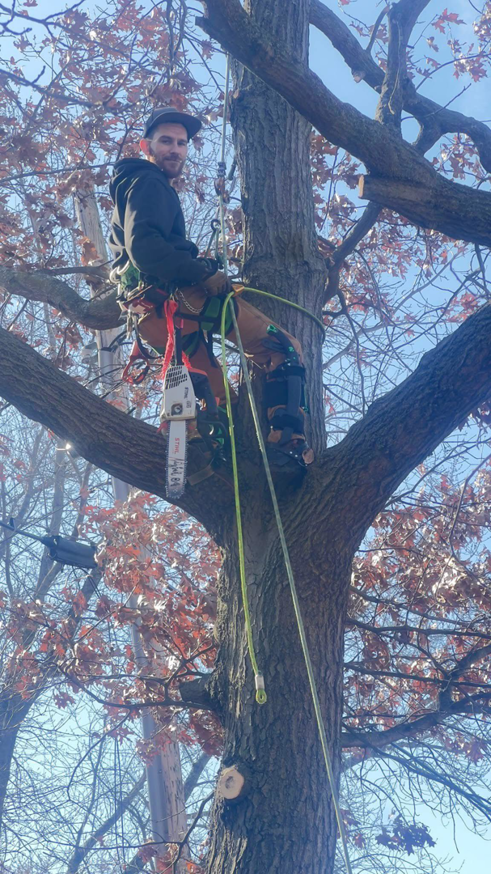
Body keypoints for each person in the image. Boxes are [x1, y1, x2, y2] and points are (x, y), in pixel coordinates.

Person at [108, 106, 313, 472]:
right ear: (146, 146)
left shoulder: (132, 189)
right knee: (284, 348)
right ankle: (285, 445)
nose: (175, 149)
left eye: (182, 143)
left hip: (150, 319)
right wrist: (200, 274)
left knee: (219, 395)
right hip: (177, 300)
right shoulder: (150, 182)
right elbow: (146, 248)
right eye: (166, 141)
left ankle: (200, 448)